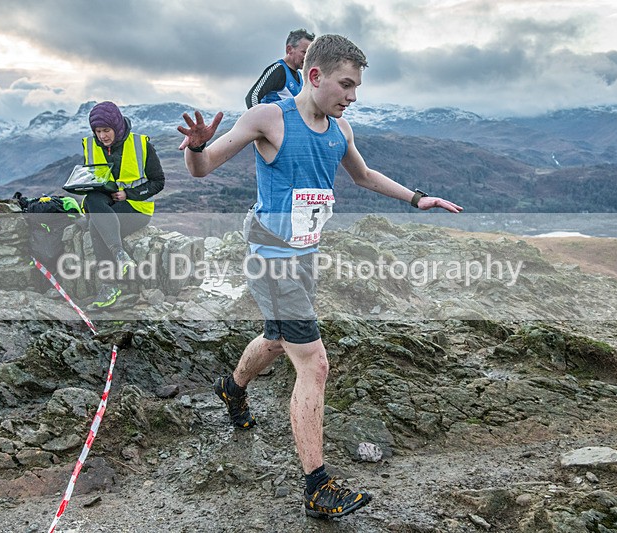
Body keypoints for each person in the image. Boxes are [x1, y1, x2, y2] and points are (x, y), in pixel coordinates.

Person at [178, 34, 462, 519]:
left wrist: (418, 198)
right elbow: (203, 169)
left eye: (356, 87)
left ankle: (232, 386)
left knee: (276, 339)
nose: (352, 95)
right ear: (314, 76)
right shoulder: (269, 118)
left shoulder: (340, 131)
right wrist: (195, 149)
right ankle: (316, 486)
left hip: (304, 254)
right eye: (346, 84)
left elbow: (365, 176)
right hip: (272, 256)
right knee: (314, 363)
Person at [81, 101, 165, 309]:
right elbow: (92, 177)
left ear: (116, 126)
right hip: (106, 204)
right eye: (97, 131)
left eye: (106, 130)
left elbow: (158, 182)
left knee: (95, 226)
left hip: (137, 207)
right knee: (92, 199)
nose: (102, 136)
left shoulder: (141, 144)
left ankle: (109, 285)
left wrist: (128, 194)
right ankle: (120, 255)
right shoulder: (90, 145)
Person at [245, 28, 315, 109]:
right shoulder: (278, 70)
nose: (307, 57)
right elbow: (252, 97)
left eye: (310, 54)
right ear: (289, 49)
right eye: (304, 52)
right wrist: (259, 120)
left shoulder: (300, 76)